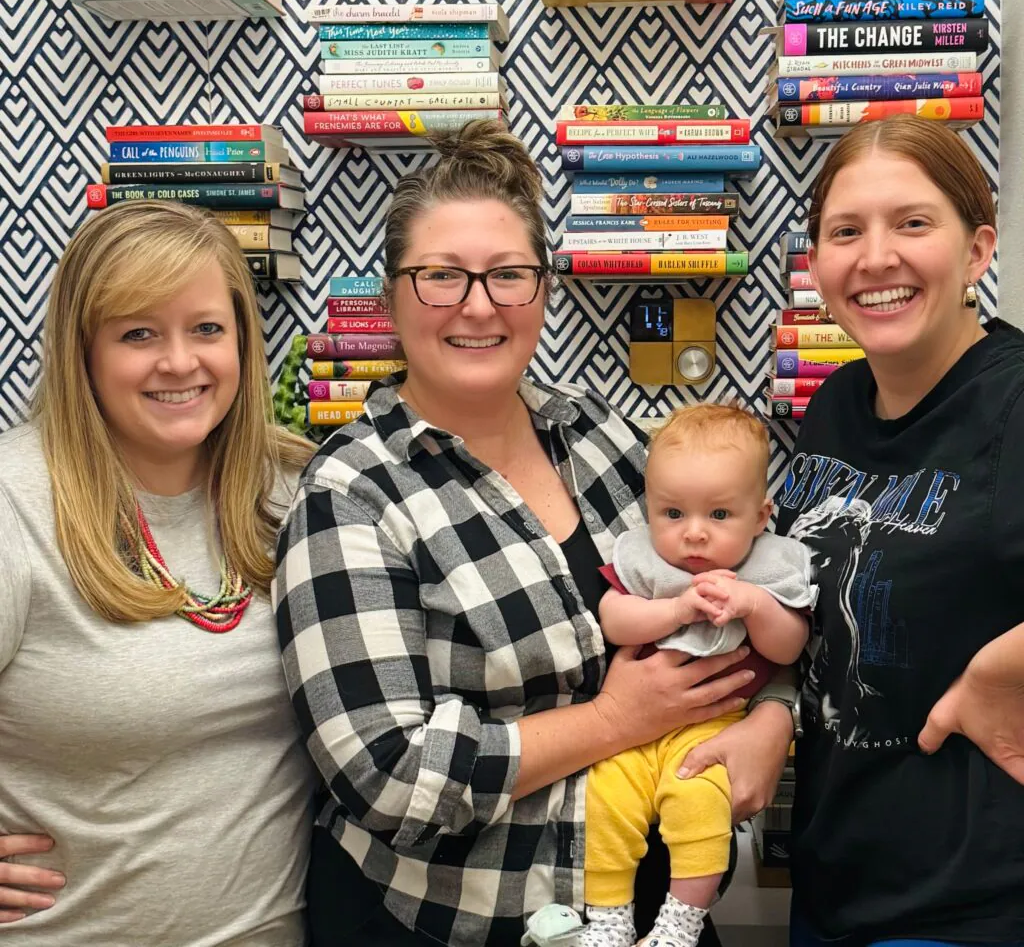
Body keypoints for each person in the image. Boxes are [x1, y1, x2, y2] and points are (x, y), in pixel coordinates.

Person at [273, 120, 799, 947]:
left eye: (509, 276)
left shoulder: (606, 440)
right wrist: (612, 723)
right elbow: (387, 776)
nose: (478, 305)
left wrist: (772, 717)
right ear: (389, 297)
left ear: (543, 290)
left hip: (655, 909)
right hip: (451, 923)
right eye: (440, 276)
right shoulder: (351, 492)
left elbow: (750, 591)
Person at [0, 200, 316, 943]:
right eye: (138, 333)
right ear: (83, 352)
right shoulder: (14, 501)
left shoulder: (297, 491)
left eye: (207, 328)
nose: (180, 362)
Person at [769, 115, 1024, 946]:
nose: (876, 257)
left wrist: (999, 669)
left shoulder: (1014, 402)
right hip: (832, 877)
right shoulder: (834, 405)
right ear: (818, 266)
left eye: (913, 223)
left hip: (974, 902)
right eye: (847, 231)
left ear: (977, 252)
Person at [581, 403, 812, 947]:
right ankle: (609, 917)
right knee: (604, 800)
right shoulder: (646, 560)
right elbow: (614, 618)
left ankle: (679, 923)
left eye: (720, 515)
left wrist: (755, 605)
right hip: (630, 731)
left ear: (760, 516)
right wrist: (676, 610)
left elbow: (790, 647)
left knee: (700, 803)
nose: (694, 535)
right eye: (673, 514)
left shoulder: (769, 565)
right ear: (649, 509)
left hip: (715, 725)